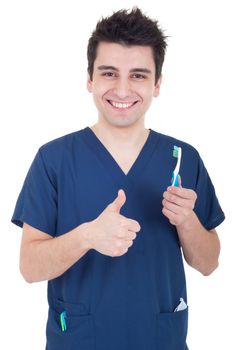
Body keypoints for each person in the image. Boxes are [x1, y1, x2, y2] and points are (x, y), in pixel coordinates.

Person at [11, 7, 225, 350]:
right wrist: (87, 236)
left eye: (138, 75)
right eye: (109, 73)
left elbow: (210, 263)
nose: (122, 89)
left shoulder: (184, 159)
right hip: (80, 341)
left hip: (159, 340)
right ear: (90, 80)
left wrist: (186, 221)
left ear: (157, 84)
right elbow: (29, 268)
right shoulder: (53, 160)